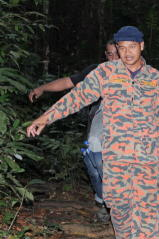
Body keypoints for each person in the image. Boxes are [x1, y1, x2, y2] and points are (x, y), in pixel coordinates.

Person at [26, 26, 159, 239]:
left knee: (146, 203)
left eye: (132, 47)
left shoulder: (155, 78)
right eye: (121, 48)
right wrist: (45, 118)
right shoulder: (105, 73)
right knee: (118, 203)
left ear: (142, 46)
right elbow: (76, 97)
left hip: (146, 153)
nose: (127, 53)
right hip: (115, 153)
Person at [28, 41, 119, 218]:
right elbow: (68, 83)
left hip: (125, 129)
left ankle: (117, 202)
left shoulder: (136, 72)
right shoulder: (98, 71)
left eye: (117, 53)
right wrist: (42, 88)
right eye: (109, 54)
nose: (114, 58)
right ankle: (102, 198)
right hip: (98, 122)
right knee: (94, 163)